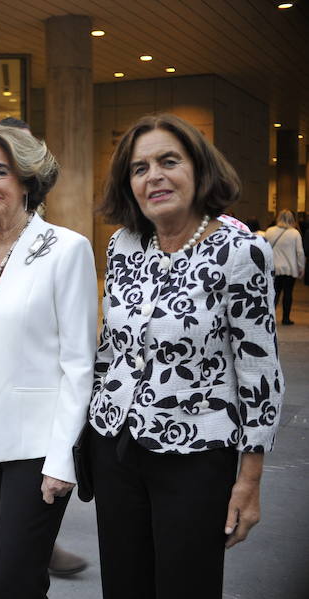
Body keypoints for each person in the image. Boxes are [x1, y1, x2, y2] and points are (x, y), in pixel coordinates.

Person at [90, 113, 284, 598]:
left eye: (168, 161)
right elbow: (110, 348)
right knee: (123, 586)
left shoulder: (241, 251)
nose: (153, 176)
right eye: (139, 168)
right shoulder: (123, 245)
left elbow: (259, 368)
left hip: (197, 454)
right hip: (115, 447)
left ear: (199, 169)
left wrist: (250, 480)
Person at [0, 125, 97, 598]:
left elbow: (79, 364)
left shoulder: (66, 249)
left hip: (36, 445)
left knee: (16, 578)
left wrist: (62, 458)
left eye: (0, 171)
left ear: (27, 180)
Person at [264, 209, 305, 325]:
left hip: (273, 268)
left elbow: (264, 249)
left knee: (274, 293)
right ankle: (286, 318)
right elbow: (300, 252)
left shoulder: (269, 231)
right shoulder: (295, 233)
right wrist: (301, 267)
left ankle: (270, 317)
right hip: (290, 269)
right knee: (288, 293)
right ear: (292, 219)